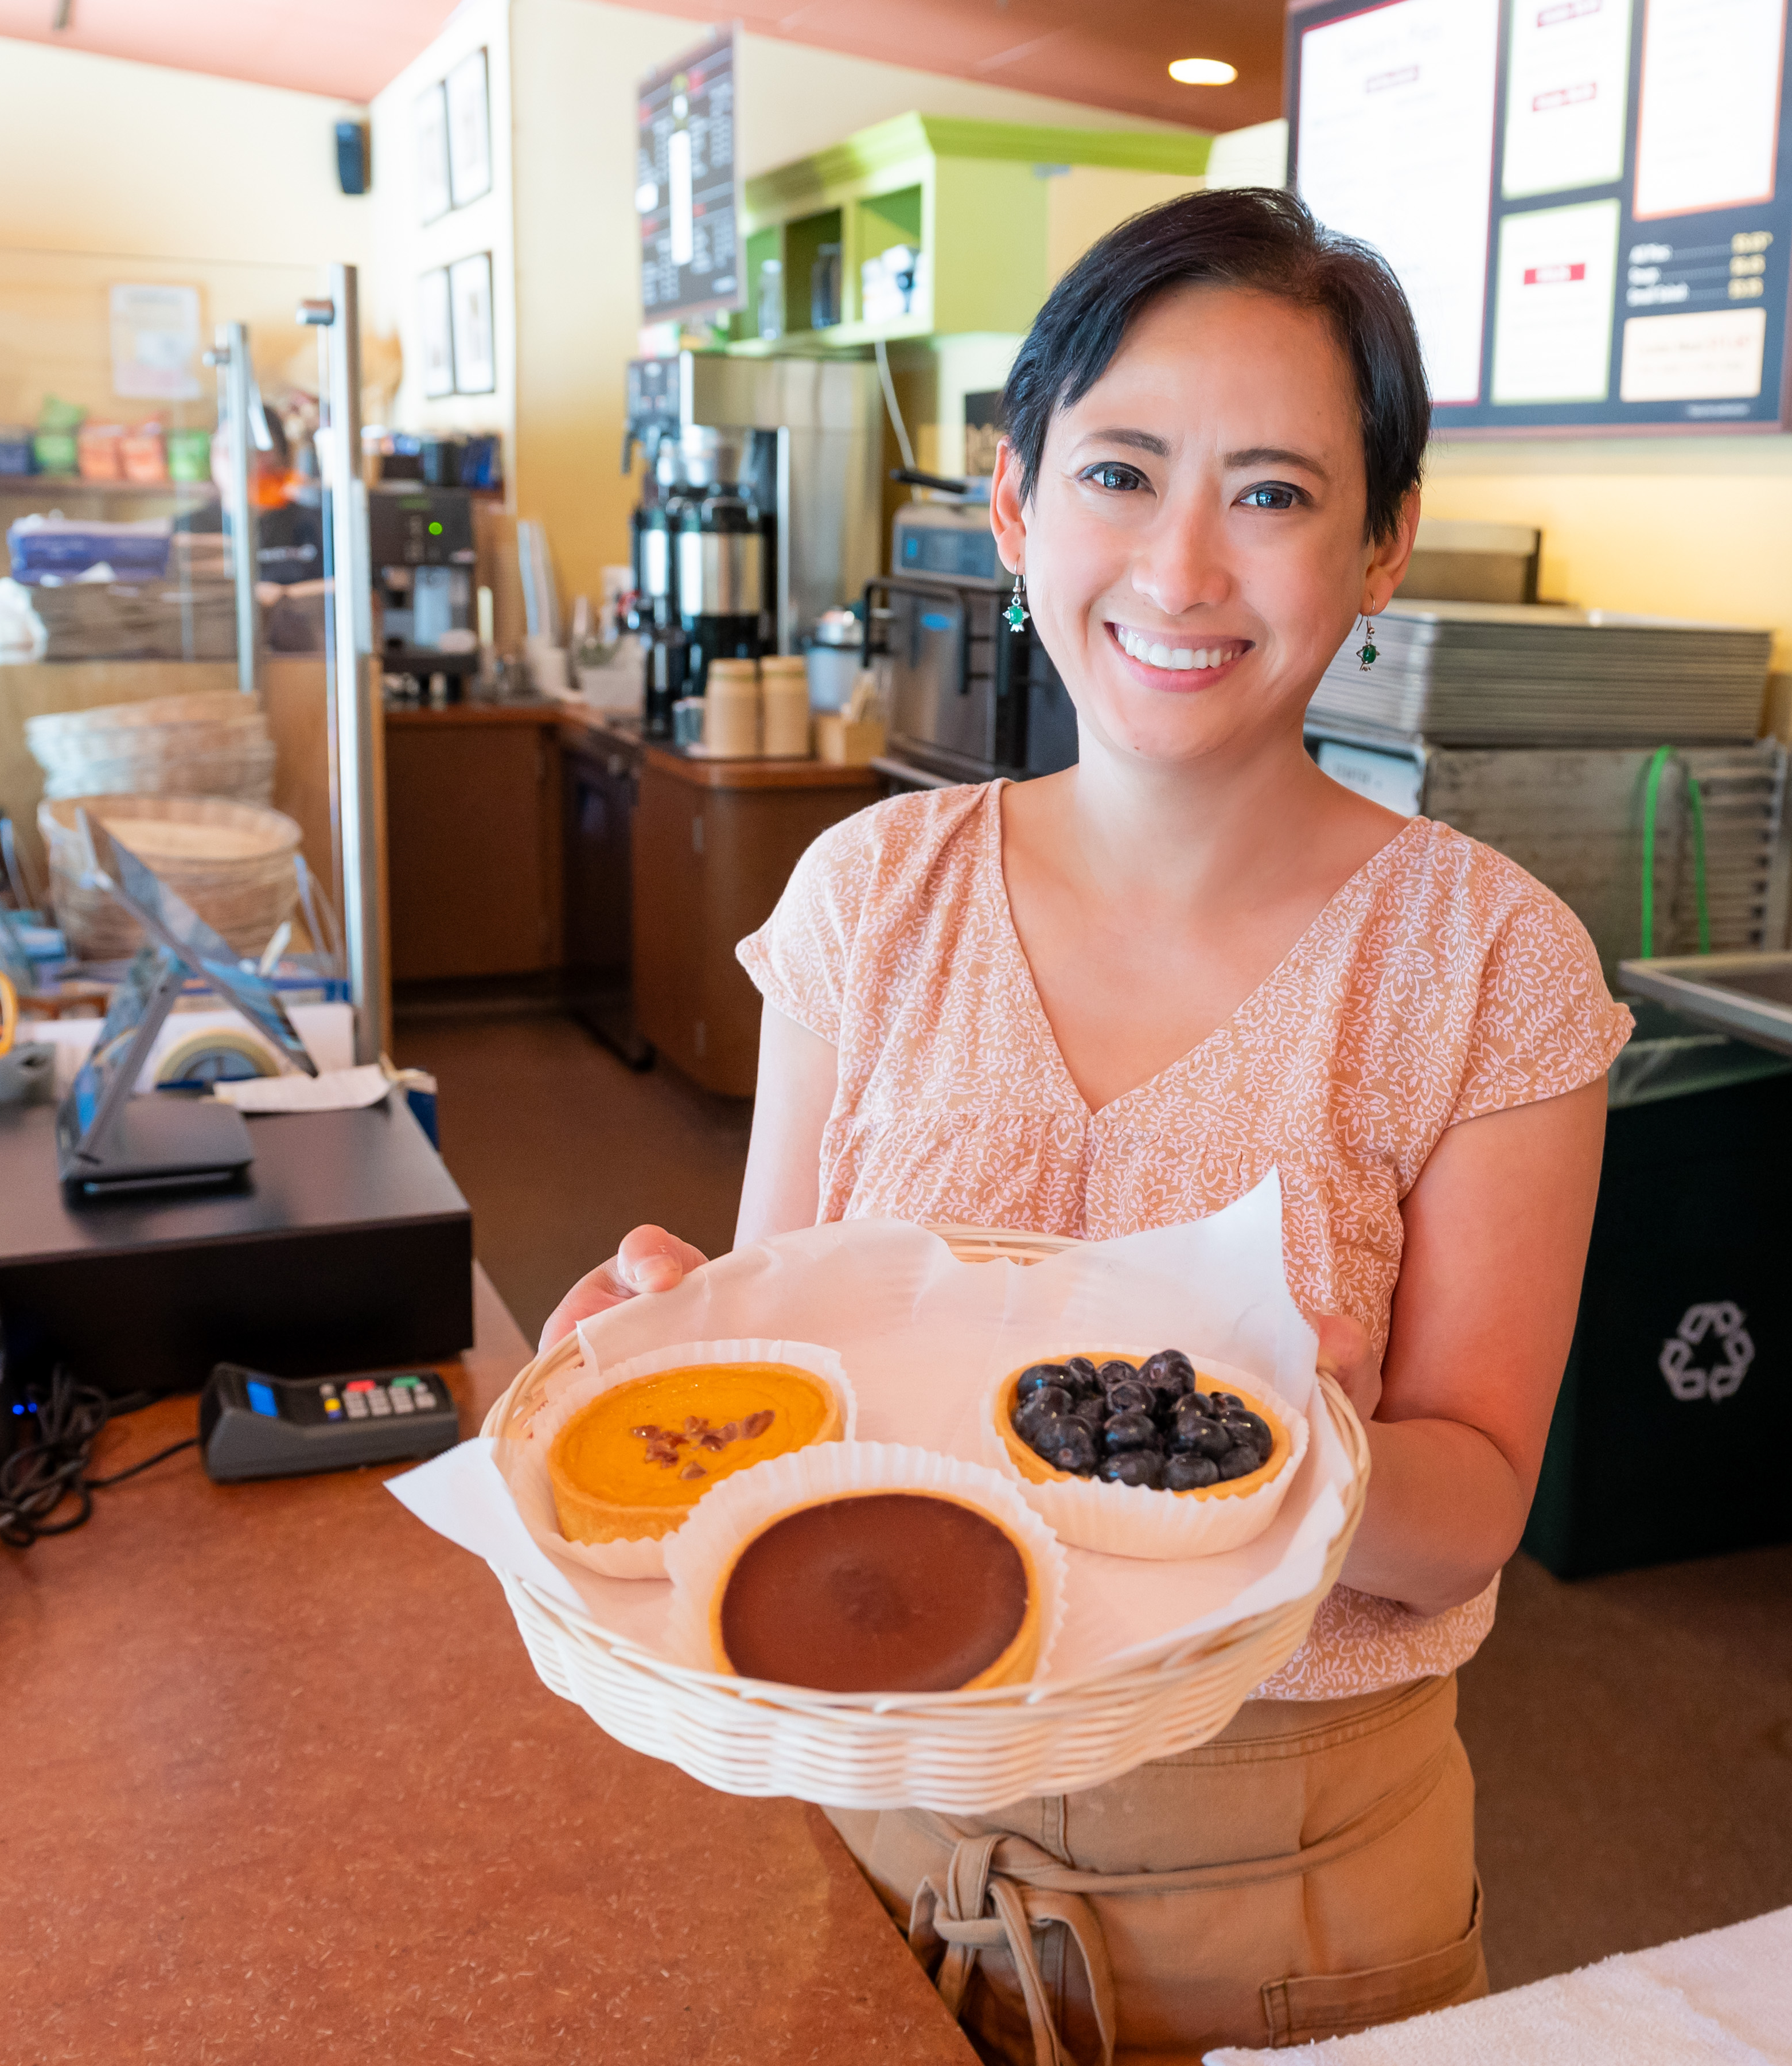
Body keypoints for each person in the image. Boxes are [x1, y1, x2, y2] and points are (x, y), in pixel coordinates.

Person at [544, 188, 1625, 2065]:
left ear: (1381, 547)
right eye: (1121, 471)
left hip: (1290, 1891)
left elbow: (1471, 1521)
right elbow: (791, 1338)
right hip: (867, 1820)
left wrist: (1311, 1438)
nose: (1185, 567)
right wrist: (667, 1340)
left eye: (1276, 493)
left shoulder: (1488, 962)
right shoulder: (870, 895)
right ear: (1015, 501)